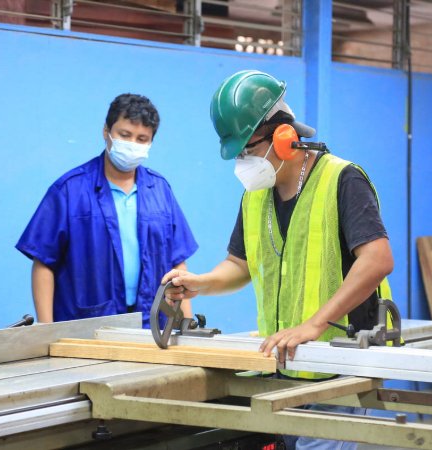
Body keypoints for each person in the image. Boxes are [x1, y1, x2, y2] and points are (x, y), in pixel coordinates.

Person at [161, 70, 394, 449]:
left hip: (339, 371)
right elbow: (240, 265)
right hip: (283, 371)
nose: (243, 162)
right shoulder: (257, 194)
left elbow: (378, 259)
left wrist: (314, 325)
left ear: (284, 138)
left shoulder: (342, 179)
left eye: (248, 149)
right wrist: (201, 282)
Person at [17, 93, 198, 327]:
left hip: (152, 326)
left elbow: (178, 264)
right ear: (106, 132)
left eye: (142, 138)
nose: (133, 144)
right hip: (85, 326)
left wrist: (187, 323)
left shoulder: (160, 190)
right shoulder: (69, 190)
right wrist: (45, 328)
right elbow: (44, 263)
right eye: (125, 135)